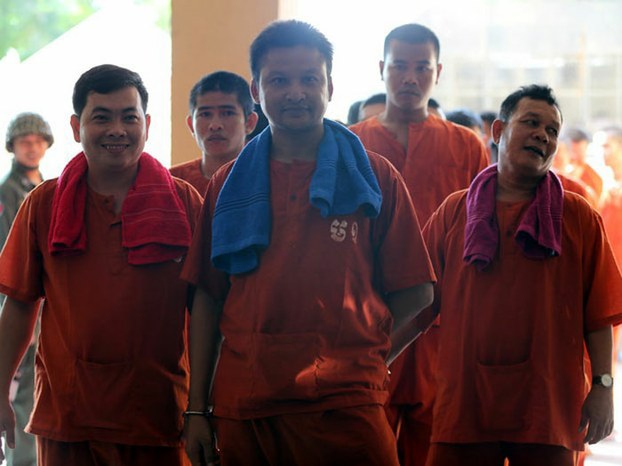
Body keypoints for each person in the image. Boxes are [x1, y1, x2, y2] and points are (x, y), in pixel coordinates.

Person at [182, 19, 436, 466]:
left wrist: (367, 349)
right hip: (248, 403)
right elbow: (207, 297)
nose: (295, 92)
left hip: (349, 403)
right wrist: (197, 408)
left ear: (331, 85)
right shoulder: (229, 184)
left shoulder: (372, 177)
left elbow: (417, 291)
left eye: (309, 79)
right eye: (278, 80)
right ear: (257, 93)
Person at [0, 64, 203, 466]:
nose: (117, 129)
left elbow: (207, 311)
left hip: (159, 414)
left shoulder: (183, 204)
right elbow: (20, 305)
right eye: (101, 117)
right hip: (69, 415)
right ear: (76, 127)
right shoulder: (44, 204)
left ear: (146, 124)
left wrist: (202, 408)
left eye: (129, 117)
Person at [423, 85, 622, 466]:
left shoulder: (577, 215)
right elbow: (421, 299)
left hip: (547, 403)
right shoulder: (455, 211)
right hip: (466, 399)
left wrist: (603, 386)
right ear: (498, 131)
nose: (542, 136)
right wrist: (379, 357)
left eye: (551, 131)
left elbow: (598, 315)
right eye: (531, 123)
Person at [349, 23, 489, 466]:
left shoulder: (466, 146)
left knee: (439, 445)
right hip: (366, 321)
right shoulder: (351, 143)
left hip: (441, 325)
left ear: (438, 72)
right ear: (381, 69)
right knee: (364, 442)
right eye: (399, 66)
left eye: (421, 67)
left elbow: (483, 238)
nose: (410, 77)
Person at [0, 112, 54, 466]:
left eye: (37, 141)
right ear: (13, 147)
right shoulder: (7, 193)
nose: (31, 147)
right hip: (16, 300)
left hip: (46, 302)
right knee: (21, 389)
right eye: (24, 141)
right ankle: (24, 461)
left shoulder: (49, 188)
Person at [170, 71, 258, 196]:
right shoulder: (171, 183)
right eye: (205, 114)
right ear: (191, 125)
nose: (215, 125)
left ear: (249, 122)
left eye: (227, 113)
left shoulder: (267, 178)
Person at [564, 127, 603, 203]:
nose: (573, 148)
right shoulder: (554, 171)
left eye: (578, 148)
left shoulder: (594, 177)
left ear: (586, 147)